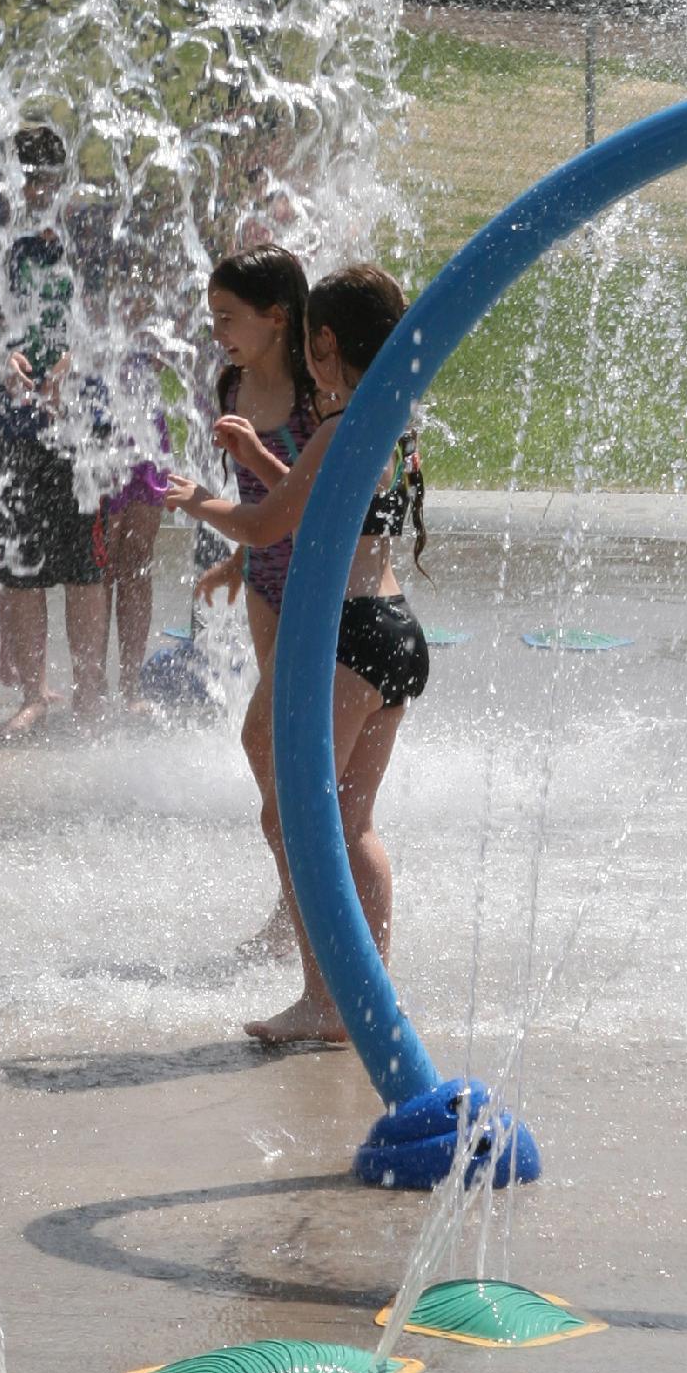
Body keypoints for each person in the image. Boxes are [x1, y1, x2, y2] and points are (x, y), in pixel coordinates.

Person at [162, 263, 427, 1047]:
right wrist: (260, 470)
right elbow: (318, 502)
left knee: (299, 819)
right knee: (351, 824)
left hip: (346, 637)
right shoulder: (389, 421)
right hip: (395, 632)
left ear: (324, 344)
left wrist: (194, 500)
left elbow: (266, 526)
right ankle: (364, 991)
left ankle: (326, 997)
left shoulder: (340, 426)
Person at [197, 250, 316, 948]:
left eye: (228, 318)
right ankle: (293, 895)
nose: (219, 333)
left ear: (277, 318)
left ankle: (307, 901)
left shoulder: (312, 395)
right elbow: (256, 502)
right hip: (267, 582)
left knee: (268, 738)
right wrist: (238, 561)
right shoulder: (233, 386)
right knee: (280, 752)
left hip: (319, 580)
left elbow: (310, 495)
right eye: (213, 318)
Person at [0, 124, 110, 737]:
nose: (35, 188)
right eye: (26, 177)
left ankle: (89, 691)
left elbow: (116, 317)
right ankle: (35, 691)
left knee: (84, 563)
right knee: (22, 561)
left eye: (44, 177)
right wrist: (2, 355)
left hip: (78, 424)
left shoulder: (86, 235)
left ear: (61, 179)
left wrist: (73, 362)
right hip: (15, 423)